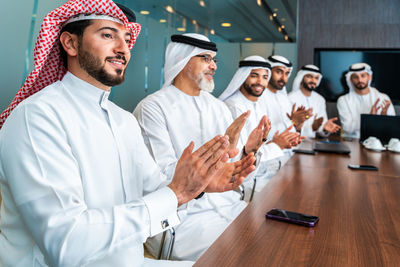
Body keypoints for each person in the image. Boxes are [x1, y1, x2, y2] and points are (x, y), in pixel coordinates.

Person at [0, 1, 254, 266]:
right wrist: (177, 193)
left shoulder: (123, 120)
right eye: (108, 35)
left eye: (128, 38)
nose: (123, 49)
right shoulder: (38, 117)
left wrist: (200, 185)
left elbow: (154, 187)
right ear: (70, 44)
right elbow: (66, 243)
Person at [133, 34, 267, 261]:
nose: (213, 65)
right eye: (205, 58)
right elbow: (160, 177)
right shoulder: (152, 108)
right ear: (182, 60)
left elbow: (229, 170)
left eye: (214, 59)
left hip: (228, 205)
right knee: (245, 257)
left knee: (272, 241)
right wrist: (205, 175)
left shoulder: (219, 108)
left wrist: (245, 151)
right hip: (183, 219)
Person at [220, 55, 301, 195]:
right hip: (244, 185)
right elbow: (240, 156)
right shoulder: (235, 107)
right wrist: (277, 145)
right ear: (243, 76)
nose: (260, 82)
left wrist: (282, 141)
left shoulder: (257, 104)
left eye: (264, 77)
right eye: (254, 76)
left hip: (264, 173)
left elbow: (261, 146)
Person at [258, 55, 309, 165]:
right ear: (269, 72)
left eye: (286, 73)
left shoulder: (284, 98)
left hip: (288, 157)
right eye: (279, 72)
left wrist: (298, 127)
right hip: (268, 160)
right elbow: (263, 134)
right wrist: (292, 122)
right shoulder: (259, 97)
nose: (283, 78)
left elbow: (290, 130)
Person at [337, 63, 395, 138]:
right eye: (355, 77)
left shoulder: (383, 98)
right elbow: (347, 128)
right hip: (352, 142)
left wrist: (384, 117)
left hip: (377, 142)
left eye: (363, 76)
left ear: (369, 77)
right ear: (351, 79)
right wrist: (370, 118)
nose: (360, 80)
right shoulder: (343, 100)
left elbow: (391, 127)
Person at [288, 64, 341, 138]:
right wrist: (312, 128)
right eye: (309, 76)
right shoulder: (290, 98)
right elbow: (286, 127)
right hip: (293, 142)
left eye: (316, 78)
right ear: (301, 78)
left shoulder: (320, 99)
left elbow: (322, 127)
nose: (313, 80)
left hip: (314, 143)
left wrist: (324, 128)